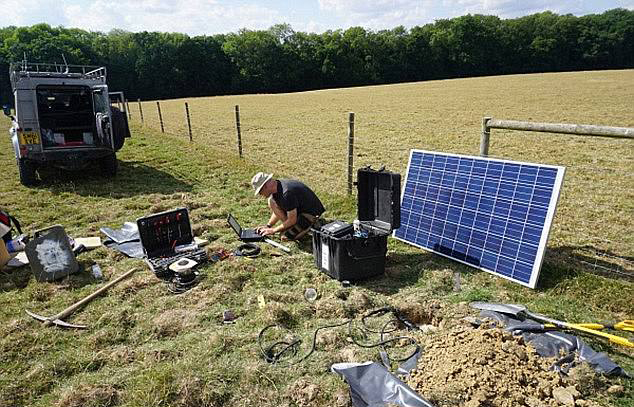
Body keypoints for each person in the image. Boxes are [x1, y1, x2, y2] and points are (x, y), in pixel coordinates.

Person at [251, 172, 325, 240]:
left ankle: (312, 225)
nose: (261, 195)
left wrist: (273, 230)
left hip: (310, 214)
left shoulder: (286, 194)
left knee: (284, 237)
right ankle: (291, 227)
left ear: (266, 186)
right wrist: (268, 226)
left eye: (260, 191)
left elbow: (292, 220)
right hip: (296, 211)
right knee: (271, 201)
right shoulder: (277, 188)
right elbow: (278, 209)